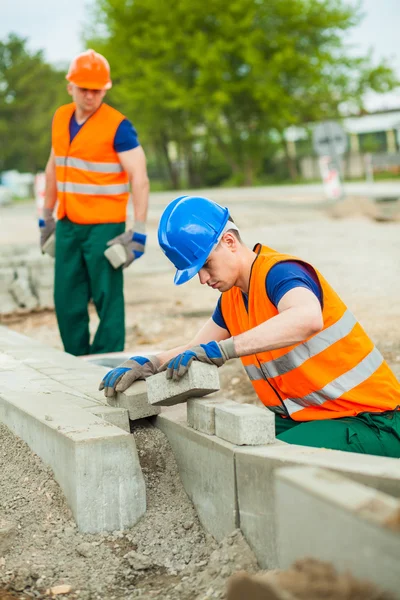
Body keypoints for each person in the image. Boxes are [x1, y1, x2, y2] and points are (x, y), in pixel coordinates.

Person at [99, 195, 400, 457]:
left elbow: (307, 317)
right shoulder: (232, 298)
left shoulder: (280, 273)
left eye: (205, 265)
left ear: (229, 242)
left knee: (272, 462)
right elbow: (197, 349)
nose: (203, 279)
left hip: (373, 420)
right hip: (316, 417)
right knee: (239, 447)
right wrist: (148, 364)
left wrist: (225, 350)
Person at [39, 49, 149, 356]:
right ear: (70, 86)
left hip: (104, 226)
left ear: (105, 89)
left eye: (97, 90)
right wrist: (46, 217)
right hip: (68, 223)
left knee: (107, 298)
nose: (90, 96)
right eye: (84, 89)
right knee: (66, 297)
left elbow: (139, 177)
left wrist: (138, 232)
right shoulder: (60, 117)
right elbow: (53, 168)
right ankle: (77, 359)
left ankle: (105, 362)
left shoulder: (118, 126)